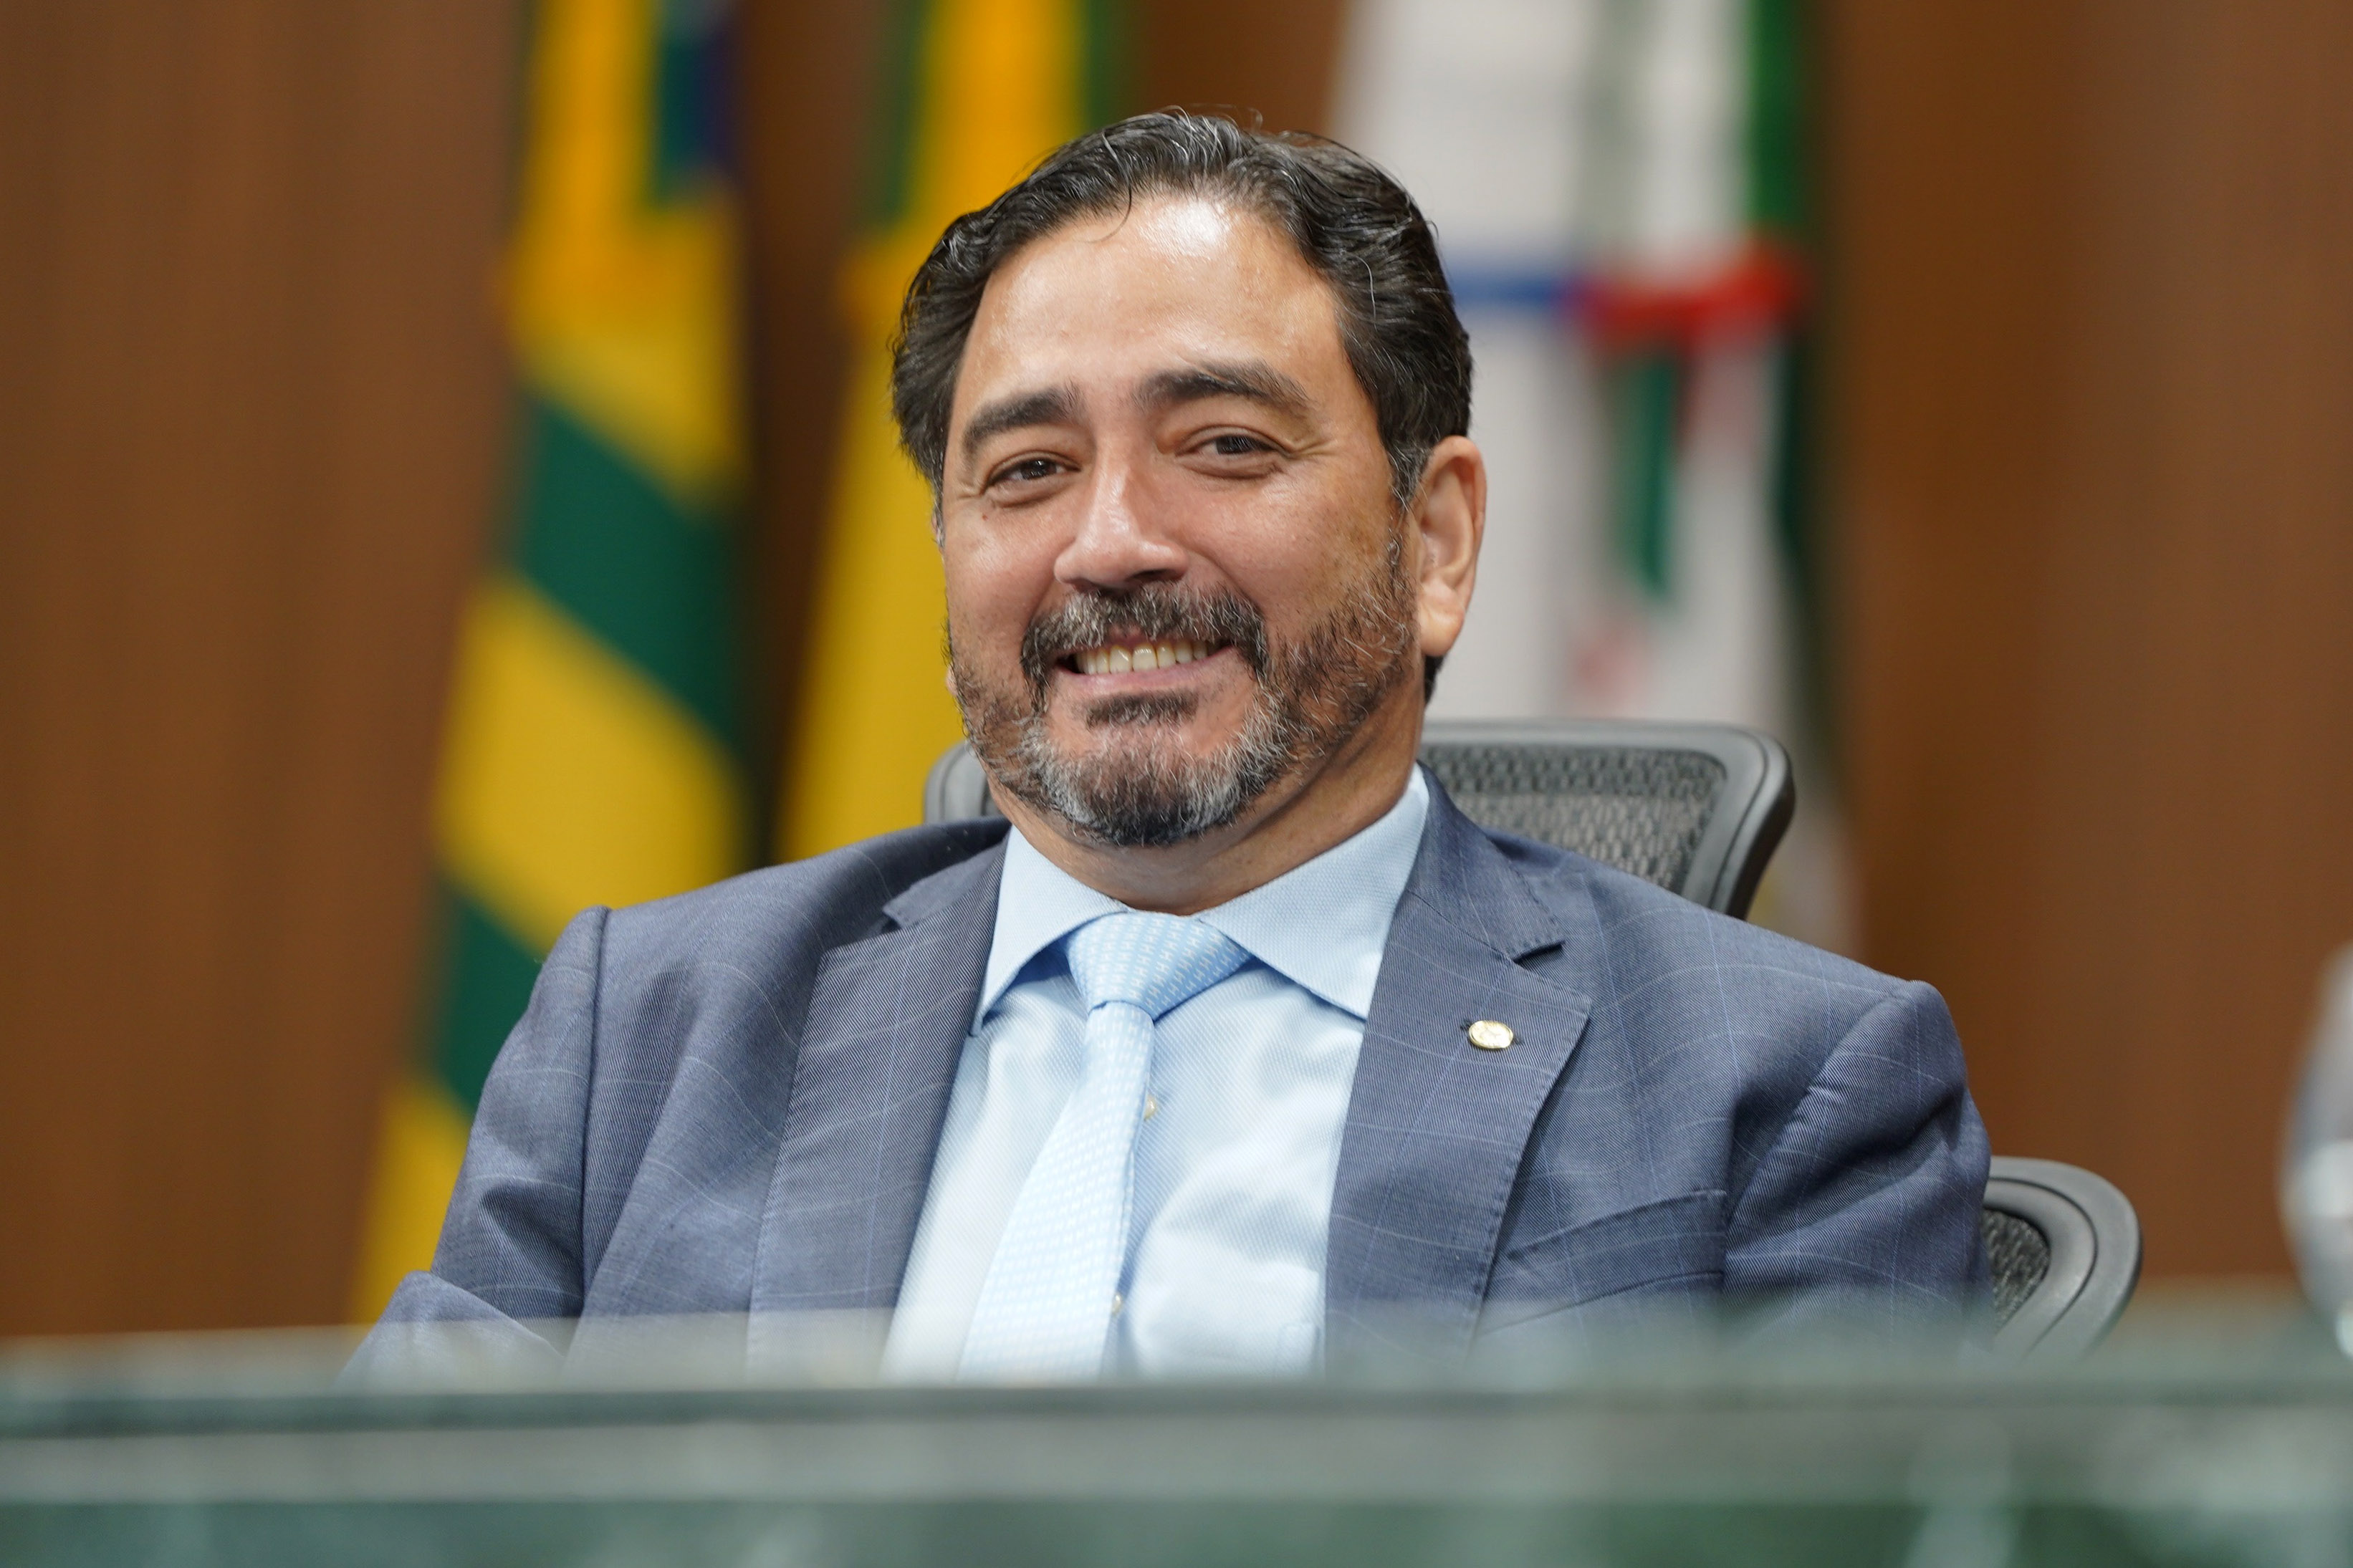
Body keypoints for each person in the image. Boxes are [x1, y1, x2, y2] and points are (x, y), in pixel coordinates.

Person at [356, 114, 1988, 1382]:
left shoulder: (1776, 1082)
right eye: (1027, 471)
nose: (1111, 543)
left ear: (1433, 539)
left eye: (1221, 445)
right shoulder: (650, 1034)